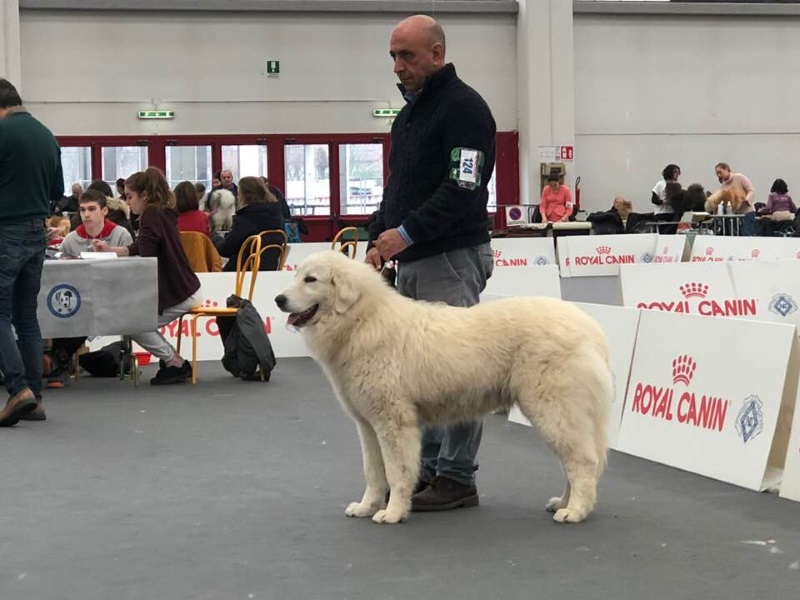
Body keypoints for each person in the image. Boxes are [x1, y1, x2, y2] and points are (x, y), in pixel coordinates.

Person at [367, 15, 495, 511]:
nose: (398, 66)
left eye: (407, 55)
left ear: (437, 54)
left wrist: (406, 233)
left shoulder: (464, 108)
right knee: (420, 374)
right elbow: (398, 187)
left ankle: (457, 477)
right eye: (393, 56)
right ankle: (429, 472)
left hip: (451, 257)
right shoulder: (408, 116)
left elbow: (464, 188)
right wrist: (378, 234)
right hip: (415, 259)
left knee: (459, 373)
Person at [93, 167, 202, 385]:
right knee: (132, 321)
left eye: (129, 196)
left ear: (144, 195)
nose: (127, 202)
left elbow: (145, 256)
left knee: (130, 322)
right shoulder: (161, 211)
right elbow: (142, 248)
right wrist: (112, 250)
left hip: (179, 291)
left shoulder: (150, 215)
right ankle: (173, 361)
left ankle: (174, 362)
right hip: (186, 288)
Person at [0, 78, 64, 424]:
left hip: (4, 230)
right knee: (26, 317)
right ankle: (35, 398)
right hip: (36, 232)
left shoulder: (3, 133)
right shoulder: (46, 135)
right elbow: (57, 190)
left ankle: (17, 389)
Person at [213, 176, 285, 271]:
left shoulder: (245, 218)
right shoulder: (277, 216)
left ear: (244, 195)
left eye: (239, 193)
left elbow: (225, 250)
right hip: (269, 270)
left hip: (241, 272)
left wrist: (215, 238)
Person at [715, 162, 755, 235]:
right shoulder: (723, 186)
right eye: (717, 173)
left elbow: (751, 190)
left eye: (720, 172)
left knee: (747, 235)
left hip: (747, 213)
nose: (719, 175)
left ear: (726, 169)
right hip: (735, 215)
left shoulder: (740, 177)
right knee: (736, 236)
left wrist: (747, 200)